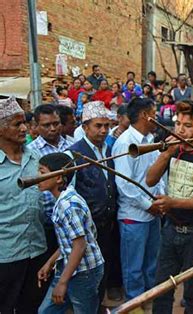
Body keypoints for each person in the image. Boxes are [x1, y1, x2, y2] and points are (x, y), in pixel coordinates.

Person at [146, 100, 193, 314]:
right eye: (178, 123)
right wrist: (166, 153)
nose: (180, 129)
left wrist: (173, 202)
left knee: (191, 291)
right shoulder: (171, 150)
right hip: (170, 229)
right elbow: (150, 179)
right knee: (162, 289)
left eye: (187, 125)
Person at [112, 98, 165, 305]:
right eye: (154, 112)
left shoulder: (150, 139)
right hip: (133, 216)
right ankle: (134, 304)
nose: (157, 117)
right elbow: (124, 185)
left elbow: (157, 173)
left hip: (153, 213)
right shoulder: (125, 143)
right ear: (145, 115)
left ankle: (148, 298)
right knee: (133, 267)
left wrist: (160, 199)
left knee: (151, 263)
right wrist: (148, 205)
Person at [37, 153, 104, 313]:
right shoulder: (62, 200)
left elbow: (79, 246)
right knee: (46, 311)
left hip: (83, 272)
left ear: (59, 178)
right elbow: (69, 241)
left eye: (42, 172)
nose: (37, 177)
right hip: (68, 267)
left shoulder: (68, 205)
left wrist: (62, 283)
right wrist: (50, 262)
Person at [66, 101, 118, 307]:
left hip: (106, 225)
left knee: (102, 269)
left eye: (106, 126)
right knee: (86, 275)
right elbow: (68, 192)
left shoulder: (108, 149)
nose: (103, 130)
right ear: (85, 127)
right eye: (98, 126)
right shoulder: (74, 154)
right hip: (85, 229)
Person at [0, 97, 49, 313]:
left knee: (31, 306)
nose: (23, 128)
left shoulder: (35, 157)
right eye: (16, 124)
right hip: (6, 255)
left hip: (37, 249)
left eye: (24, 123)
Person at [28, 104, 74, 266]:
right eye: (47, 125)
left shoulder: (72, 146)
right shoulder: (31, 152)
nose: (53, 128)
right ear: (36, 127)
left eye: (56, 123)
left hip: (70, 217)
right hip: (47, 222)